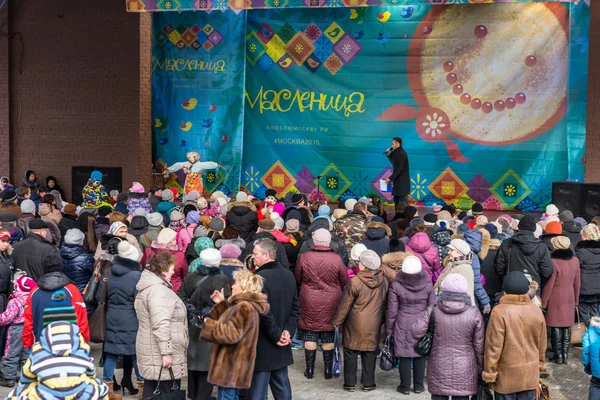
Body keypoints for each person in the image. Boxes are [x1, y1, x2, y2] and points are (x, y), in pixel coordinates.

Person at [411, 274, 485, 400]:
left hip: (439, 364)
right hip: (465, 367)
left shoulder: (433, 310)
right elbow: (479, 345)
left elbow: (416, 332)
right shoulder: (474, 312)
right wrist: (481, 366)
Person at [248, 239, 300, 400]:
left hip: (264, 342)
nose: (253, 257)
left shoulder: (258, 279)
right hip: (281, 341)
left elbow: (263, 312)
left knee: (258, 390)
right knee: (282, 387)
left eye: (255, 254)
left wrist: (278, 335)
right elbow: (295, 308)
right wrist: (287, 332)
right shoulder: (288, 274)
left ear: (266, 255)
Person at [482, 271, 547, 400]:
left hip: (506, 376)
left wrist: (490, 372)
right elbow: (542, 343)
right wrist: (540, 364)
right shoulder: (536, 310)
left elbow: (494, 347)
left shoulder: (499, 311)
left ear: (505, 290)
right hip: (529, 375)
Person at [177, 248, 231, 400]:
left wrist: (192, 311)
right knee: (207, 363)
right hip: (210, 324)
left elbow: (180, 296)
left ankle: (193, 394)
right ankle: (202, 396)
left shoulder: (191, 276)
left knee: (193, 360)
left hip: (191, 323)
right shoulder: (221, 279)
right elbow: (224, 302)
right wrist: (207, 313)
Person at [6, 322, 108, 400]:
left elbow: (26, 377)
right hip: (80, 393)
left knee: (17, 393)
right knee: (100, 386)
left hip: (45, 395)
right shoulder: (82, 350)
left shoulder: (37, 351)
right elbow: (91, 372)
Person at [135, 252, 189, 399]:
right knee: (165, 391)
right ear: (162, 269)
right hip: (160, 352)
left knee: (152, 389)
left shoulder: (149, 287)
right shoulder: (158, 291)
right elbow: (161, 323)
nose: (173, 271)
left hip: (151, 347)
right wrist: (166, 352)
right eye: (171, 268)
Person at [333, 250, 388, 392]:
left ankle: (349, 383)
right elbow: (385, 303)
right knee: (369, 352)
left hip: (354, 322)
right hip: (373, 322)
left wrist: (337, 322)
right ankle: (368, 383)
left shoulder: (355, 281)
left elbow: (345, 304)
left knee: (350, 351)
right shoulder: (384, 281)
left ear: (363, 266)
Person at [296, 228, 347, 380]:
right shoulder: (336, 258)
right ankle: (327, 371)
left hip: (309, 297)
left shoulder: (304, 257)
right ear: (329, 241)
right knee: (328, 334)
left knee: (310, 333)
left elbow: (298, 277)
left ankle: (309, 370)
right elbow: (344, 280)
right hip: (332, 298)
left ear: (315, 241)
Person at [99, 241, 143, 397]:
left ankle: (108, 388)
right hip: (131, 318)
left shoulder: (109, 272)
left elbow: (100, 295)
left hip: (111, 317)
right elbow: (140, 300)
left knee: (111, 354)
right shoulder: (136, 276)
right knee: (136, 354)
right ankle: (142, 386)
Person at [386, 255, 435, 395]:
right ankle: (419, 386)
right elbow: (432, 306)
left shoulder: (396, 284)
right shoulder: (428, 284)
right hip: (422, 322)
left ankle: (405, 386)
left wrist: (389, 330)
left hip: (402, 321)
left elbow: (392, 310)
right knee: (420, 353)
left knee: (404, 354)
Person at [23, 262, 90, 349]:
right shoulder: (72, 290)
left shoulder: (34, 291)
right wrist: (83, 340)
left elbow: (28, 321)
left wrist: (27, 343)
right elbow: (81, 318)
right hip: (68, 344)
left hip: (40, 344)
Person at [542, 236, 581, 364]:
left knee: (556, 325)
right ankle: (565, 354)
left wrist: (544, 302)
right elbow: (577, 283)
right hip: (569, 295)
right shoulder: (575, 260)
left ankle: (557, 355)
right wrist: (576, 300)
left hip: (556, 296)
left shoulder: (553, 261)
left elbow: (550, 284)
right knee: (567, 325)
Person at [494, 215, 553, 290]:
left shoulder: (507, 243)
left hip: (510, 287)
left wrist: (506, 279)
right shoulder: (542, 247)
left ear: (518, 227)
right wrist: (537, 282)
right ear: (534, 230)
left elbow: (499, 265)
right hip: (533, 288)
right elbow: (547, 271)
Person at [0, 276, 35, 388]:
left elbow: (7, 318)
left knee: (12, 352)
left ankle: (8, 377)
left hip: (16, 329)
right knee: (25, 353)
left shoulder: (15, 301)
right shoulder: (32, 299)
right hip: (29, 328)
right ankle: (24, 376)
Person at [142, 227, 188, 292]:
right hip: (174, 289)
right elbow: (184, 273)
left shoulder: (148, 251)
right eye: (174, 239)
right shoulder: (180, 255)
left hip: (153, 287)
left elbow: (143, 266)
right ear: (171, 241)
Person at [434, 239, 476, 306]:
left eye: (451, 250)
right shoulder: (453, 263)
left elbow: (468, 293)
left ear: (459, 253)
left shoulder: (464, 268)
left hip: (454, 309)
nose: (448, 252)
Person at [576, 223, 600, 326]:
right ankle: (595, 338)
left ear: (585, 236)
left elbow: (576, 267)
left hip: (584, 288)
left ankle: (587, 337)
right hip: (597, 287)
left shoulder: (581, 251)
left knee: (584, 315)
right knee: (595, 313)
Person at [463, 229, 491, 313]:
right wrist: (485, 301)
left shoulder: (458, 252)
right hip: (469, 296)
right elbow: (475, 281)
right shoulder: (473, 256)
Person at [60, 229, 94, 293]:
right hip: (82, 292)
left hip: (64, 291)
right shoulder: (87, 258)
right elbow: (93, 275)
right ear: (81, 242)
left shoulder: (57, 254)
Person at [384, 136, 410, 212]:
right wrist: (388, 154)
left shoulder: (401, 153)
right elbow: (394, 162)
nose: (391, 145)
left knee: (403, 200)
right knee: (397, 199)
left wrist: (390, 178)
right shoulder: (397, 152)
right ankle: (398, 216)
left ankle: (406, 217)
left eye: (393, 144)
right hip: (398, 181)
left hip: (402, 182)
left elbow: (399, 168)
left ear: (398, 144)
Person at [582, 316, 600, 400]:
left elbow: (586, 348)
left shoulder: (592, 328)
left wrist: (587, 364)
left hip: (596, 369)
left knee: (595, 387)